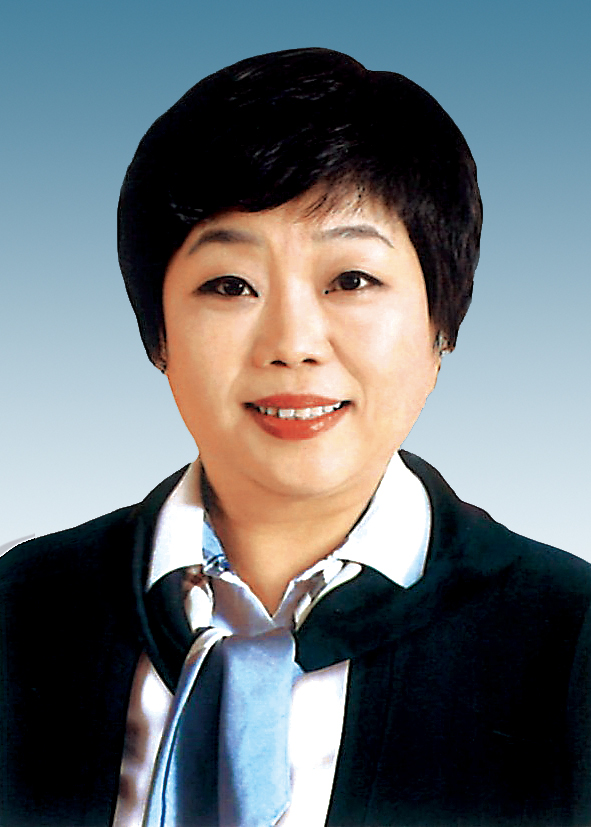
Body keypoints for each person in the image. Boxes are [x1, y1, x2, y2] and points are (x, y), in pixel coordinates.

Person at [1, 47, 589, 827]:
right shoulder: (22, 609)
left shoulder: (567, 635)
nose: (292, 342)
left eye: (351, 280)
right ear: (158, 334)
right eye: (229, 285)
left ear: (440, 326)